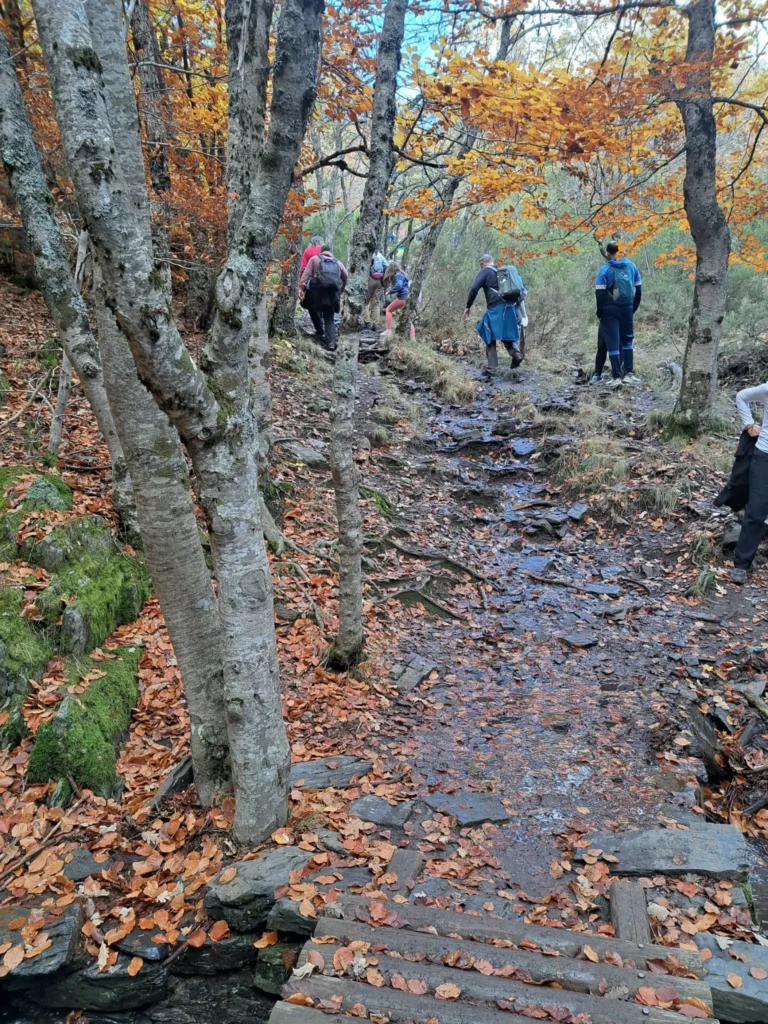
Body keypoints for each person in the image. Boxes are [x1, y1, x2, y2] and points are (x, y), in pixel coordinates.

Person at [730, 382, 768, 584]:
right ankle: (741, 564)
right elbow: (742, 396)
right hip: (764, 456)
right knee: (756, 510)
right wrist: (749, 424)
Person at [592, 241, 642, 388]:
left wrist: (600, 311)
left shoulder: (605, 269)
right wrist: (632, 308)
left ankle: (616, 377)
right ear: (622, 252)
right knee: (627, 341)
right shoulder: (632, 267)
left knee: (613, 342)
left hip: (609, 310)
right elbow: (638, 292)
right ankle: (629, 374)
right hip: (627, 308)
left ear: (608, 254)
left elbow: (599, 292)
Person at [463, 254, 525, 369]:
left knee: (487, 333)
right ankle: (516, 354)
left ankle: (492, 367)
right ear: (492, 261)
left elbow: (474, 289)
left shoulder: (485, 271)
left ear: (482, 263)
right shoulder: (503, 273)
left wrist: (468, 306)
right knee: (508, 337)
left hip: (496, 309)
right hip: (511, 308)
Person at [298, 244, 348, 351]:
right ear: (331, 252)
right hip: (331, 295)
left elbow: (306, 275)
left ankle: (319, 329)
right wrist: (341, 290)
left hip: (316, 293)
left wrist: (301, 289)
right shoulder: (337, 262)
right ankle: (331, 343)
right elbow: (346, 276)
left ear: (321, 251)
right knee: (329, 317)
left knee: (311, 307)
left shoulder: (314, 259)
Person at [380, 262, 415, 340]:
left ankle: (389, 330)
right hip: (407, 297)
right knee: (408, 318)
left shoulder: (398, 275)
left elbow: (399, 285)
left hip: (402, 297)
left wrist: (389, 292)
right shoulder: (403, 275)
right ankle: (413, 338)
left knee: (388, 310)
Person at [364, 250, 389, 329]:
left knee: (365, 301)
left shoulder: (367, 254)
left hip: (369, 279)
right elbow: (387, 266)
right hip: (379, 281)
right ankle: (375, 324)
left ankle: (367, 322)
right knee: (376, 303)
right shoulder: (380, 256)